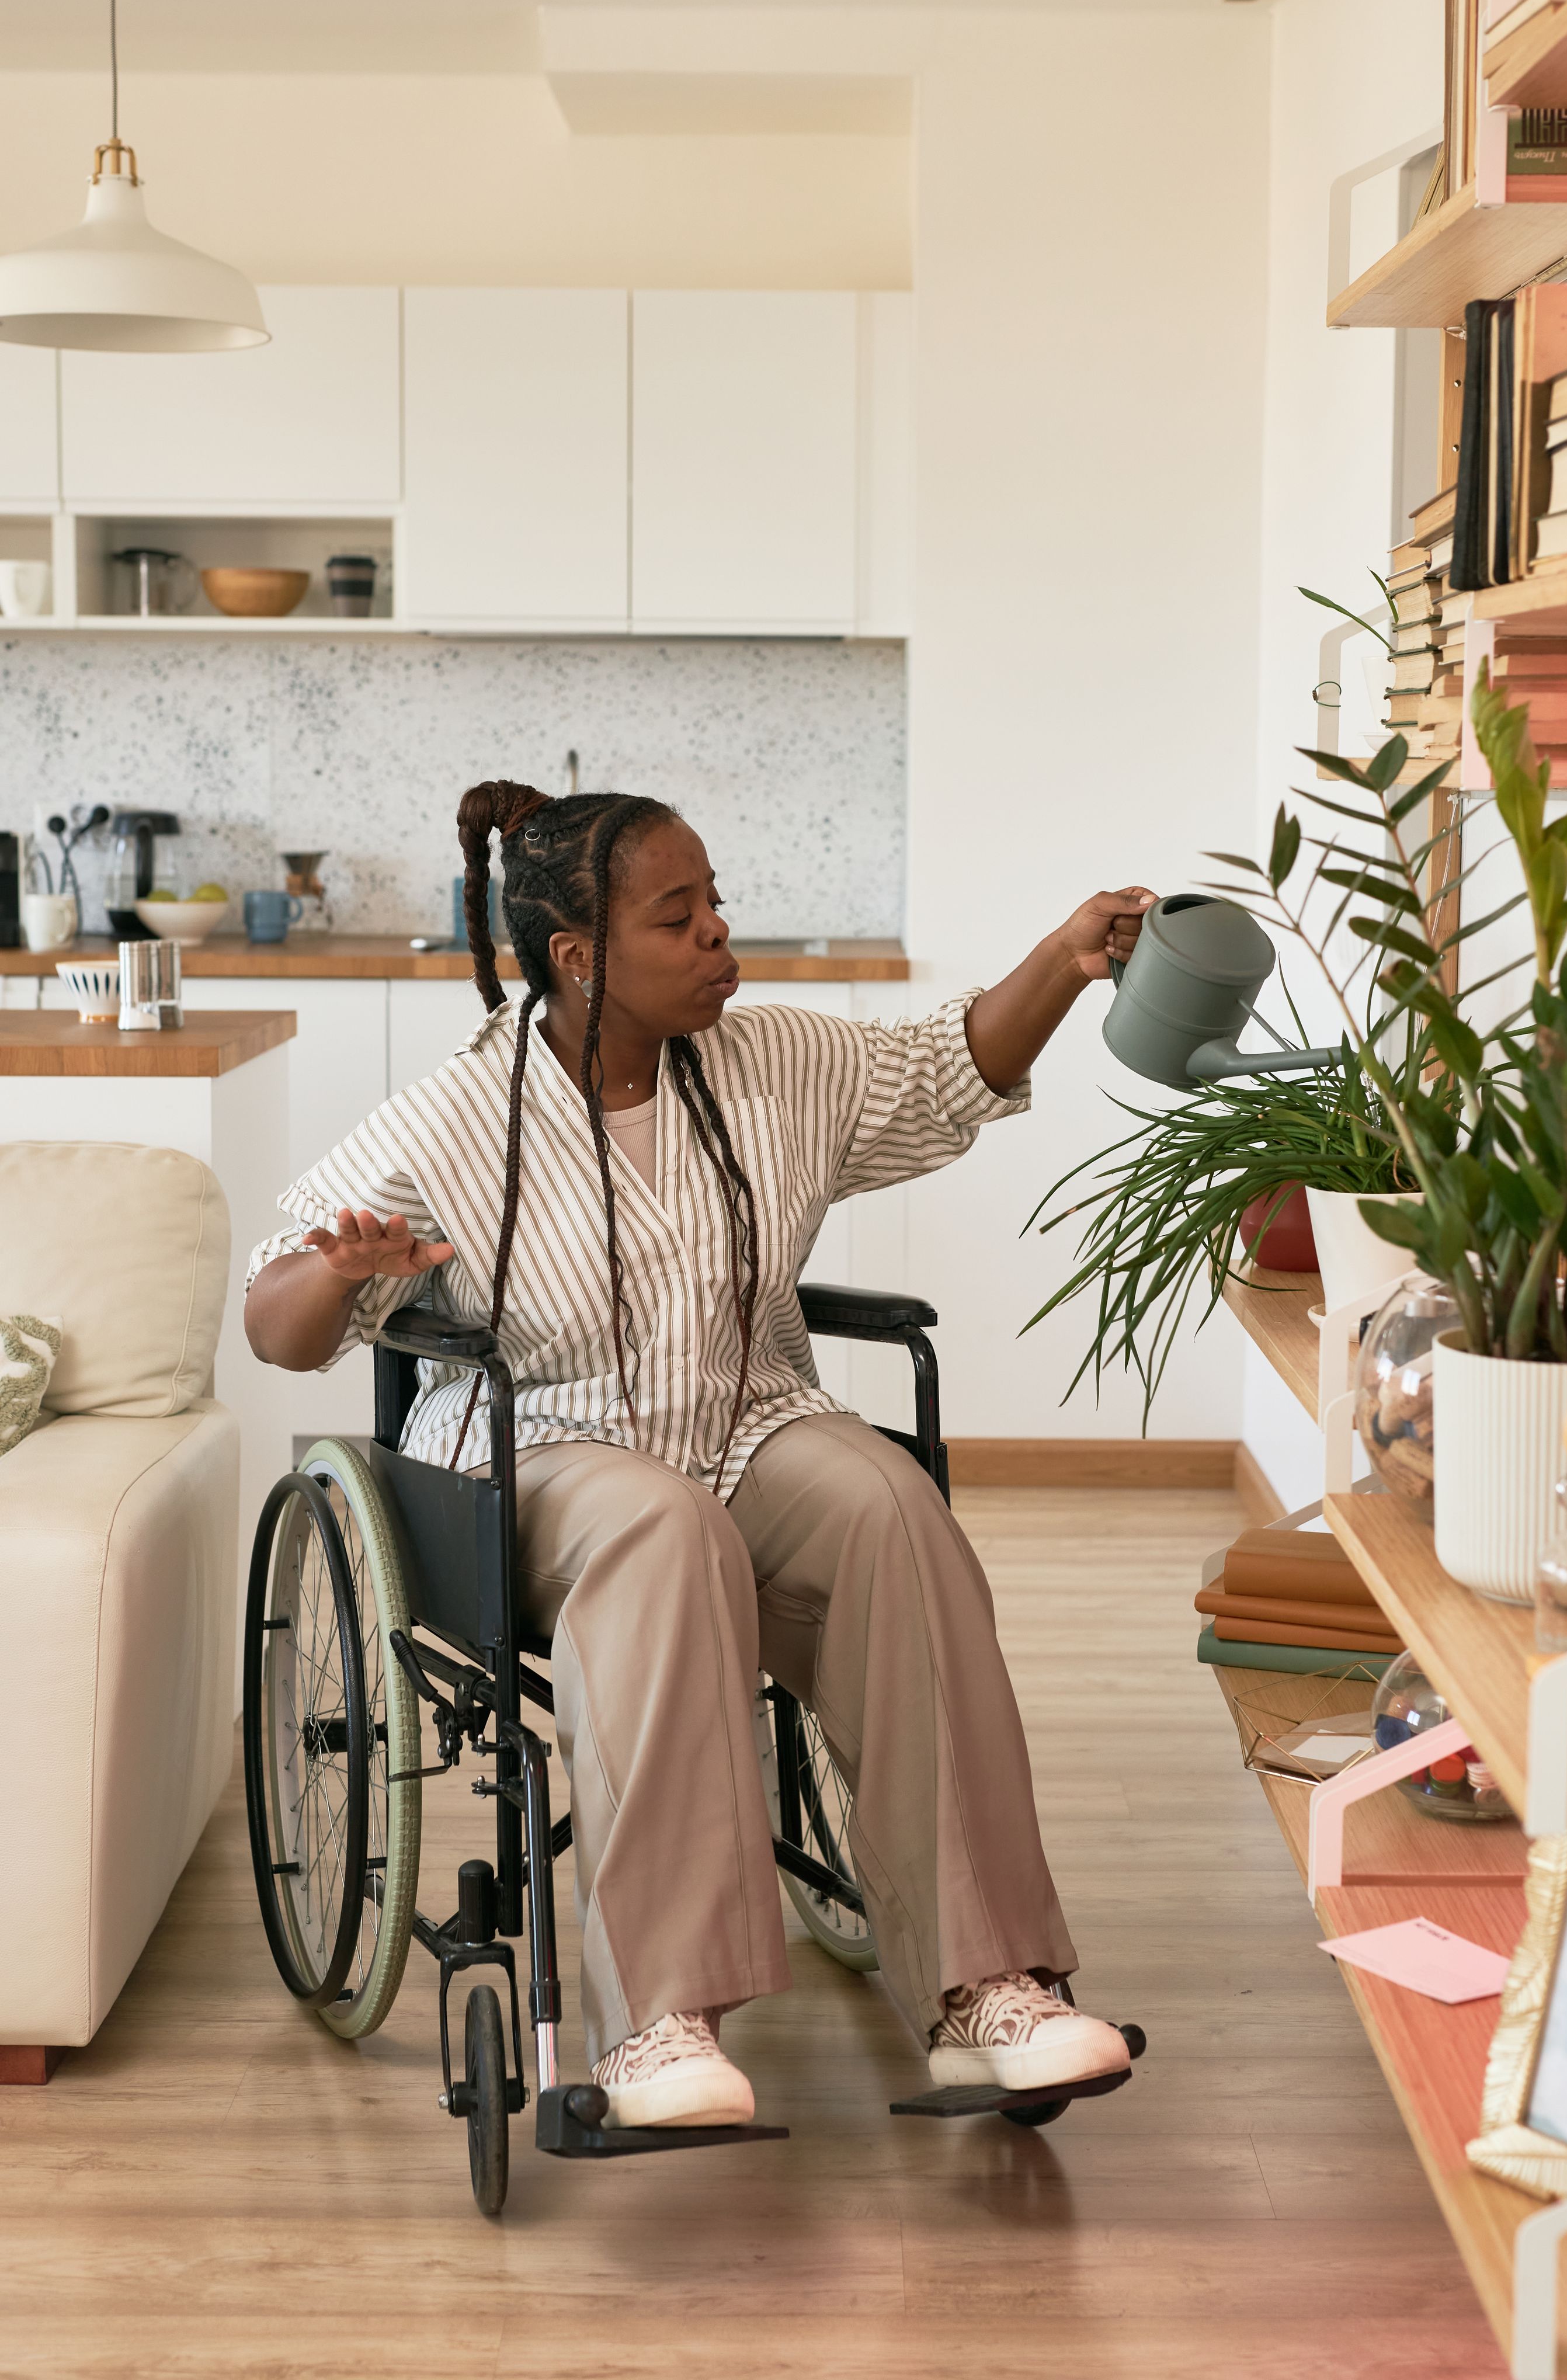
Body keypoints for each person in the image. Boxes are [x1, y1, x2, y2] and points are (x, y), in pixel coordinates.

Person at [246, 781, 1155, 2131]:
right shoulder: (454, 1118)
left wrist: (1067, 961)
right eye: (682, 919)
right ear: (579, 958)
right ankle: (658, 2024)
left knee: (889, 1512)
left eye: (717, 903)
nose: (722, 936)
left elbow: (952, 1061)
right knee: (663, 1529)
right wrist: (340, 1277)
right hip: (539, 1450)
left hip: (744, 1417)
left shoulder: (774, 1062)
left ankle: (987, 1992)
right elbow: (277, 1319)